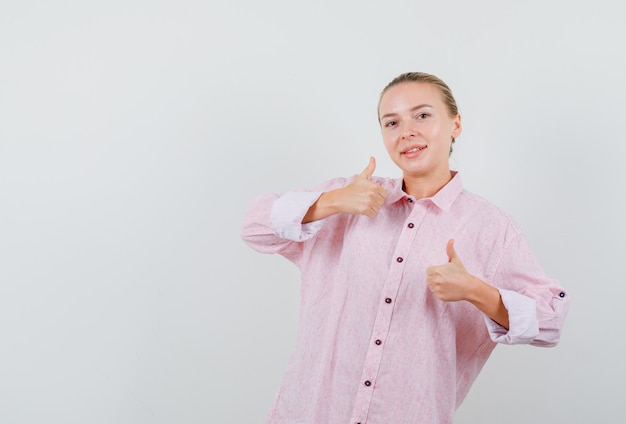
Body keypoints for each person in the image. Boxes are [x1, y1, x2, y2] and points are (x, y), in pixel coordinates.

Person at [240, 72, 569, 424]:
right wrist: (330, 202)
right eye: (391, 122)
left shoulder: (491, 228)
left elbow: (550, 323)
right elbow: (255, 227)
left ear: (455, 124)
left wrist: (476, 291)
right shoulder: (349, 198)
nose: (406, 131)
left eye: (423, 115)